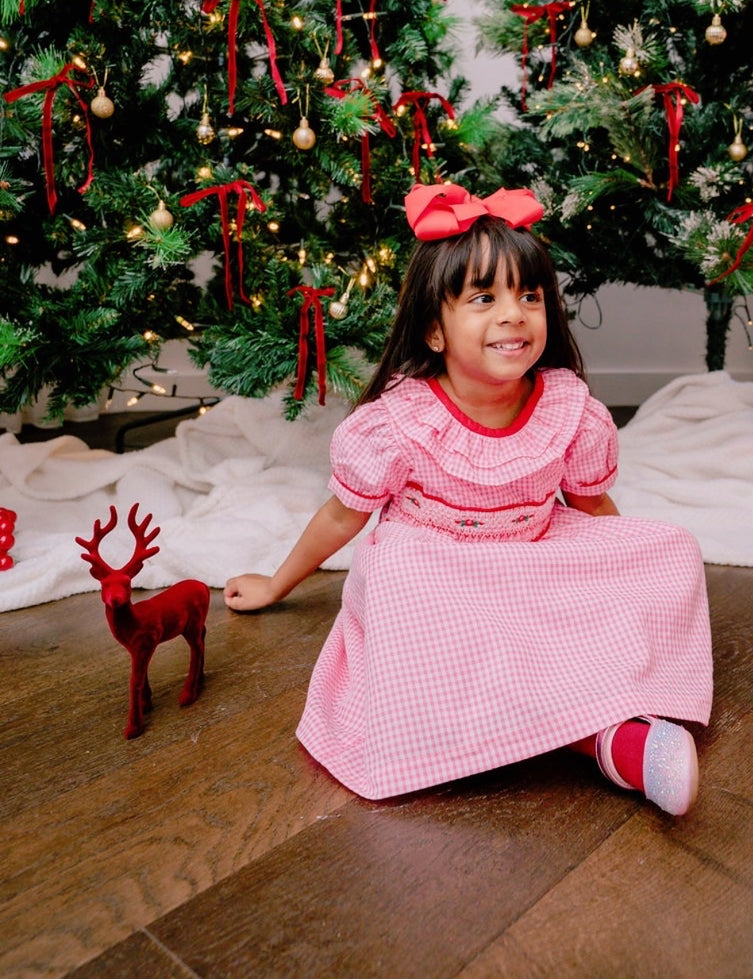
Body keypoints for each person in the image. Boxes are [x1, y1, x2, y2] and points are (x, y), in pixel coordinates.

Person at [225, 181, 713, 815]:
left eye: (529, 296)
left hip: (533, 554)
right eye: (484, 298)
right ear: (434, 331)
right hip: (440, 571)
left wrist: (616, 579)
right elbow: (343, 516)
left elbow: (594, 511)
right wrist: (276, 584)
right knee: (403, 577)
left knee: (669, 547)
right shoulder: (398, 422)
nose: (513, 314)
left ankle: (619, 706)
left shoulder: (568, 410)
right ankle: (602, 738)